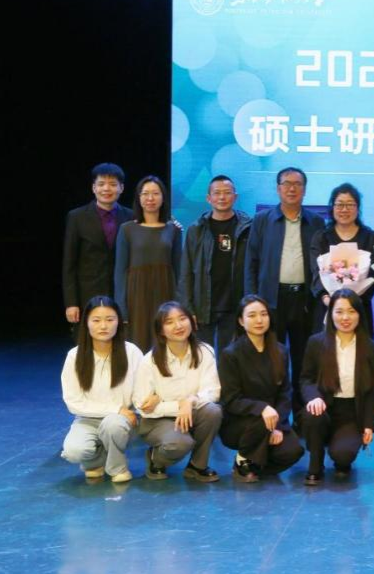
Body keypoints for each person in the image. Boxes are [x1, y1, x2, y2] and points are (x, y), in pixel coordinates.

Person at [244, 167, 326, 410]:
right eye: (287, 184)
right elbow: (251, 261)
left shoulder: (316, 221)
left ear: (304, 189)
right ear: (278, 188)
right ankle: (273, 413)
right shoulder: (263, 220)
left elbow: (322, 263)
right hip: (271, 300)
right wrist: (252, 299)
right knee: (272, 359)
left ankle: (303, 414)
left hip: (304, 300)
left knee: (303, 359)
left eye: (297, 184)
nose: (292, 189)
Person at [218, 295, 305, 483]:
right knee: (261, 421)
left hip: (273, 419)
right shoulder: (230, 354)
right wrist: (262, 408)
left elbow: (285, 393)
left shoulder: (280, 351)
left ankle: (255, 464)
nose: (259, 320)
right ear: (241, 321)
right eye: (252, 315)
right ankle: (242, 459)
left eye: (264, 314)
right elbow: (231, 399)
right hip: (241, 421)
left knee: (293, 451)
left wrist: (278, 426)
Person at [134, 301, 222, 482]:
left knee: (213, 411)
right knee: (180, 443)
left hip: (191, 412)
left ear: (192, 321)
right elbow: (142, 406)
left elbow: (213, 391)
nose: (178, 325)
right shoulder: (149, 361)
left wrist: (190, 400)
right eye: (169, 322)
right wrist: (179, 406)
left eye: (182, 319)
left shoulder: (205, 352)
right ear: (160, 330)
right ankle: (156, 459)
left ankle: (197, 466)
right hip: (157, 420)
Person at [298, 289, 374, 486]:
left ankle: (341, 455)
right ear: (330, 314)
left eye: (351, 311)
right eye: (339, 311)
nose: (345, 318)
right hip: (323, 407)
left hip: (351, 413)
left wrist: (369, 424)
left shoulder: (370, 347)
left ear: (359, 314)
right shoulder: (316, 342)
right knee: (313, 415)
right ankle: (315, 463)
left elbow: (372, 391)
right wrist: (314, 397)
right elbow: (306, 379)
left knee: (343, 456)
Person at [60, 296, 143, 483]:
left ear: (118, 322)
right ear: (86, 323)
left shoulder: (131, 352)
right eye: (96, 320)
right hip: (88, 419)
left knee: (113, 425)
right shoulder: (74, 356)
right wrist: (115, 408)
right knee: (73, 451)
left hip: (123, 420)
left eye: (110, 319)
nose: (103, 326)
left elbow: (141, 390)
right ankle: (96, 461)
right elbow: (73, 402)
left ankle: (117, 467)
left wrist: (132, 411)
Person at [179, 175, 252, 353]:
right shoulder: (196, 229)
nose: (222, 197)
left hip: (236, 305)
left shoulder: (248, 228)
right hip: (204, 305)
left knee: (232, 357)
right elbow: (186, 271)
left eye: (227, 193)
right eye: (217, 193)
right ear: (208, 198)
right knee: (203, 356)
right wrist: (188, 308)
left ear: (235, 197)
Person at [115, 176, 182, 352]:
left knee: (165, 341)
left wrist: (180, 302)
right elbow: (120, 271)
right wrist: (121, 307)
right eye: (145, 194)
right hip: (136, 295)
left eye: (155, 193)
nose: (150, 198)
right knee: (138, 344)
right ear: (138, 198)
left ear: (163, 197)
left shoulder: (174, 229)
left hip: (165, 291)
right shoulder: (126, 229)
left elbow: (179, 270)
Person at [63, 163, 134, 328]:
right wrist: (71, 302)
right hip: (87, 295)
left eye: (113, 184)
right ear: (93, 188)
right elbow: (69, 264)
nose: (106, 189)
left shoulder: (132, 216)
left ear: (122, 188)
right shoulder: (77, 217)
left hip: (123, 295)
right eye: (101, 184)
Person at [309, 183, 374, 335]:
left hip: (359, 308)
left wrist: (353, 302)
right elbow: (315, 272)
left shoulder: (370, 237)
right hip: (326, 307)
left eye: (350, 204)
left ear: (357, 208)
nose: (344, 209)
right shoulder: (321, 237)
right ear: (332, 208)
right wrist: (327, 299)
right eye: (339, 204)